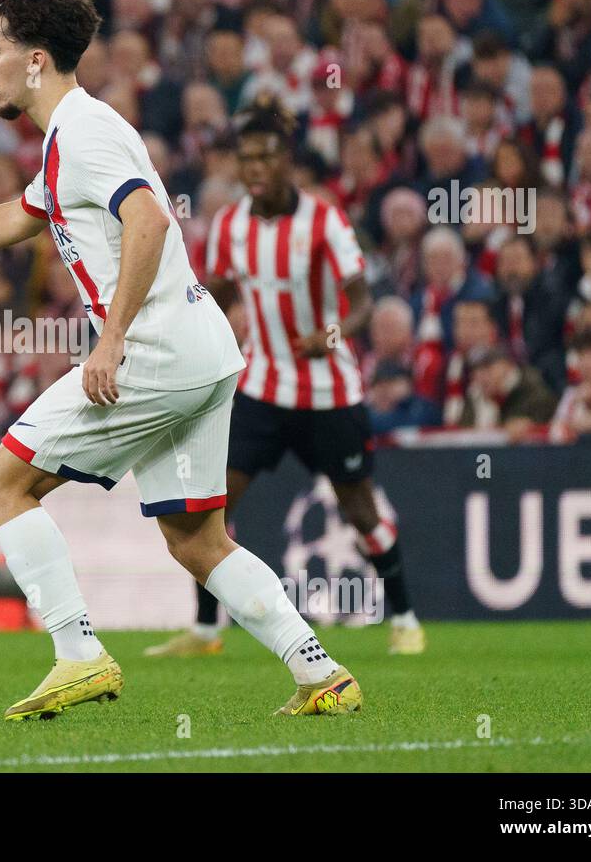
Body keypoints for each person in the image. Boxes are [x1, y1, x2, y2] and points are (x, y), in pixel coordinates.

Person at [0, 0, 363, 719]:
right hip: (201, 350)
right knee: (195, 539)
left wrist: (111, 339)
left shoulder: (83, 134)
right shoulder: (72, 136)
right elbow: (22, 215)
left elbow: (148, 221)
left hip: (154, 350)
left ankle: (78, 653)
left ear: (36, 60)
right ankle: (321, 672)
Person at [148, 95, 426, 660]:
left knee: (360, 511)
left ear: (286, 162)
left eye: (266, 158)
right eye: (246, 159)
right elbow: (218, 294)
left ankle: (405, 618)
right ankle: (206, 633)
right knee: (210, 506)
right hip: (262, 389)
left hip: (329, 393)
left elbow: (363, 300)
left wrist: (329, 336)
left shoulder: (323, 219)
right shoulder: (229, 226)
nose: (254, 169)